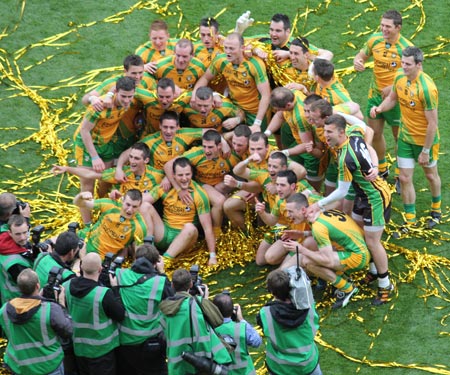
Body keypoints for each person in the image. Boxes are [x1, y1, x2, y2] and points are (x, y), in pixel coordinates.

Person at [309, 114, 393, 305]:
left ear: (341, 132)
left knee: (373, 242)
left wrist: (318, 204)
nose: (325, 135)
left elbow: (341, 191)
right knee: (359, 231)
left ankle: (385, 284)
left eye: (329, 132)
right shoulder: (353, 134)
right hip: (364, 195)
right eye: (324, 131)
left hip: (375, 199)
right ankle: (373, 271)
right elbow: (361, 124)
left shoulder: (345, 158)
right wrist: (340, 114)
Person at [370, 46, 441, 229]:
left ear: (419, 64)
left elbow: (433, 124)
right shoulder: (400, 77)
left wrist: (425, 151)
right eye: (403, 62)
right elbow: (392, 98)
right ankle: (410, 219)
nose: (404, 67)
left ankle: (436, 210)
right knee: (404, 178)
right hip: (405, 139)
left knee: (431, 176)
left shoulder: (427, 89)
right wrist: (379, 108)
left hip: (424, 141)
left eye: (408, 64)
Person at [283, 193, 370, 308]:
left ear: (303, 210)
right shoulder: (318, 213)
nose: (288, 215)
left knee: (307, 261)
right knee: (311, 251)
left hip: (357, 257)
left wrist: (301, 249)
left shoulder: (318, 226)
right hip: (359, 248)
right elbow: (329, 232)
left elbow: (327, 260)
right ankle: (340, 275)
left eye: (291, 212)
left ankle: (347, 288)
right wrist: (301, 234)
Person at [354, 9, 413, 178]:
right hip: (375, 96)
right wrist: (358, 62)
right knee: (374, 133)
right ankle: (382, 167)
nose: (384, 29)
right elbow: (360, 56)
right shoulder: (374, 40)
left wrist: (393, 87)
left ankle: (400, 174)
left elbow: (411, 76)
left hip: (397, 100)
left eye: (388, 26)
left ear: (398, 28)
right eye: (382, 25)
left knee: (399, 138)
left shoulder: (406, 49)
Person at [73, 76, 136, 204]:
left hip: (106, 144)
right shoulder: (100, 106)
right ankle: (88, 223)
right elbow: (84, 131)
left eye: (130, 96)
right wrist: (94, 157)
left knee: (106, 182)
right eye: (123, 96)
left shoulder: (126, 101)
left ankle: (103, 211)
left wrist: (110, 93)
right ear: (117, 92)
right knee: (87, 187)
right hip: (86, 145)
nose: (127, 100)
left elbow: (118, 84)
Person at [165, 130, 240, 236]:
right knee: (220, 201)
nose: (206, 150)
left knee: (228, 199)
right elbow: (168, 165)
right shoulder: (197, 153)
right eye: (204, 146)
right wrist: (178, 188)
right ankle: (217, 234)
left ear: (219, 146)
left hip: (219, 186)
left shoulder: (230, 157)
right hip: (201, 184)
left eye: (210, 147)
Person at [159, 268, 232, 375]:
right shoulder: (198, 303)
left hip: (177, 365)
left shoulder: (163, 308)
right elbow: (218, 320)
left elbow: (162, 335)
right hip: (202, 362)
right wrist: (204, 300)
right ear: (191, 284)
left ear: (172, 286)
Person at [146, 157, 218, 265]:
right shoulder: (166, 187)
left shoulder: (199, 193)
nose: (184, 178)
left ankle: (163, 261)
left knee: (190, 228)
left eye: (187, 174)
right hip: (164, 233)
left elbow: (207, 228)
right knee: (145, 206)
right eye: (180, 175)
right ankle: (148, 251)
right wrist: (121, 199)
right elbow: (142, 201)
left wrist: (213, 256)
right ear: (173, 176)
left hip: (185, 238)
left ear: (192, 174)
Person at [0, 268, 72, 375]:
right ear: (38, 286)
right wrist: (61, 304)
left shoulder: (4, 310)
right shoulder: (50, 309)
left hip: (20, 367)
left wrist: (39, 298)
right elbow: (68, 331)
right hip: (49, 366)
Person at [116, 244, 174, 375]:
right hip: (150, 344)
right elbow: (173, 301)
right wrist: (163, 273)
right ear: (155, 264)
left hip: (125, 343)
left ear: (135, 259)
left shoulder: (120, 274)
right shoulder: (159, 282)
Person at [193, 32, 271, 130]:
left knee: (255, 142)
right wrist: (194, 94)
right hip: (234, 107)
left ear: (242, 48)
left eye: (232, 49)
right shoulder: (221, 60)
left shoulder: (254, 65)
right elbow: (205, 78)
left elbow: (266, 95)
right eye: (226, 48)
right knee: (225, 136)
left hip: (255, 112)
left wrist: (257, 123)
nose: (228, 52)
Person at [64, 252, 125, 375]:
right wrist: (116, 290)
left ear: (81, 267)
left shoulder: (67, 286)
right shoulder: (103, 294)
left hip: (79, 349)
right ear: (100, 269)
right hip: (102, 352)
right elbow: (120, 315)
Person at [257, 269, 322, 375]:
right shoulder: (308, 306)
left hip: (280, 368)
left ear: (272, 292)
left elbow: (265, 330)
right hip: (308, 365)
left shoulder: (265, 313)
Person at [52, 142, 165, 200]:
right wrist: (67, 169)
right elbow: (90, 174)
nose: (132, 161)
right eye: (130, 157)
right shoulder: (123, 173)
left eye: (136, 158)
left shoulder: (156, 176)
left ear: (146, 160)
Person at [265, 87, 325, 191]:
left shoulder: (301, 117)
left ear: (288, 105)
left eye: (279, 109)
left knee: (312, 184)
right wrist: (266, 133)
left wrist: (285, 153)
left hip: (311, 151)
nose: (278, 111)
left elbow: (307, 145)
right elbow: (280, 116)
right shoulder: (292, 93)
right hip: (298, 142)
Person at [115, 110, 203, 173]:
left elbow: (209, 132)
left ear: (177, 127)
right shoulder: (150, 140)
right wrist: (118, 169)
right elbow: (127, 153)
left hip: (179, 177)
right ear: (160, 126)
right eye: (165, 127)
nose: (168, 131)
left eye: (172, 128)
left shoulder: (185, 134)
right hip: (157, 181)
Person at [73, 189, 148, 259]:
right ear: (122, 200)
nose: (130, 210)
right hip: (84, 238)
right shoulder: (109, 205)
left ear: (140, 206)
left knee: (78, 268)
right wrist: (81, 196)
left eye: (134, 206)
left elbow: (139, 254)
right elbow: (79, 203)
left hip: (100, 256)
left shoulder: (140, 226)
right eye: (128, 204)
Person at [213, 291, 262, 374]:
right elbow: (257, 342)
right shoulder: (242, 328)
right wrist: (241, 319)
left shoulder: (211, 329)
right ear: (233, 310)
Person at [178, 86, 244, 132]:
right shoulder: (186, 106)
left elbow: (241, 113)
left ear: (213, 102)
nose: (202, 109)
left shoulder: (225, 107)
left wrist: (236, 120)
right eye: (199, 105)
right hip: (193, 140)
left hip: (218, 139)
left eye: (206, 106)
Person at [0, 215, 33, 304]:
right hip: (19, 301)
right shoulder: (16, 263)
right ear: (9, 233)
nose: (22, 237)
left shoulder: (3, 240)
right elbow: (32, 285)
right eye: (18, 234)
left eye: (25, 232)